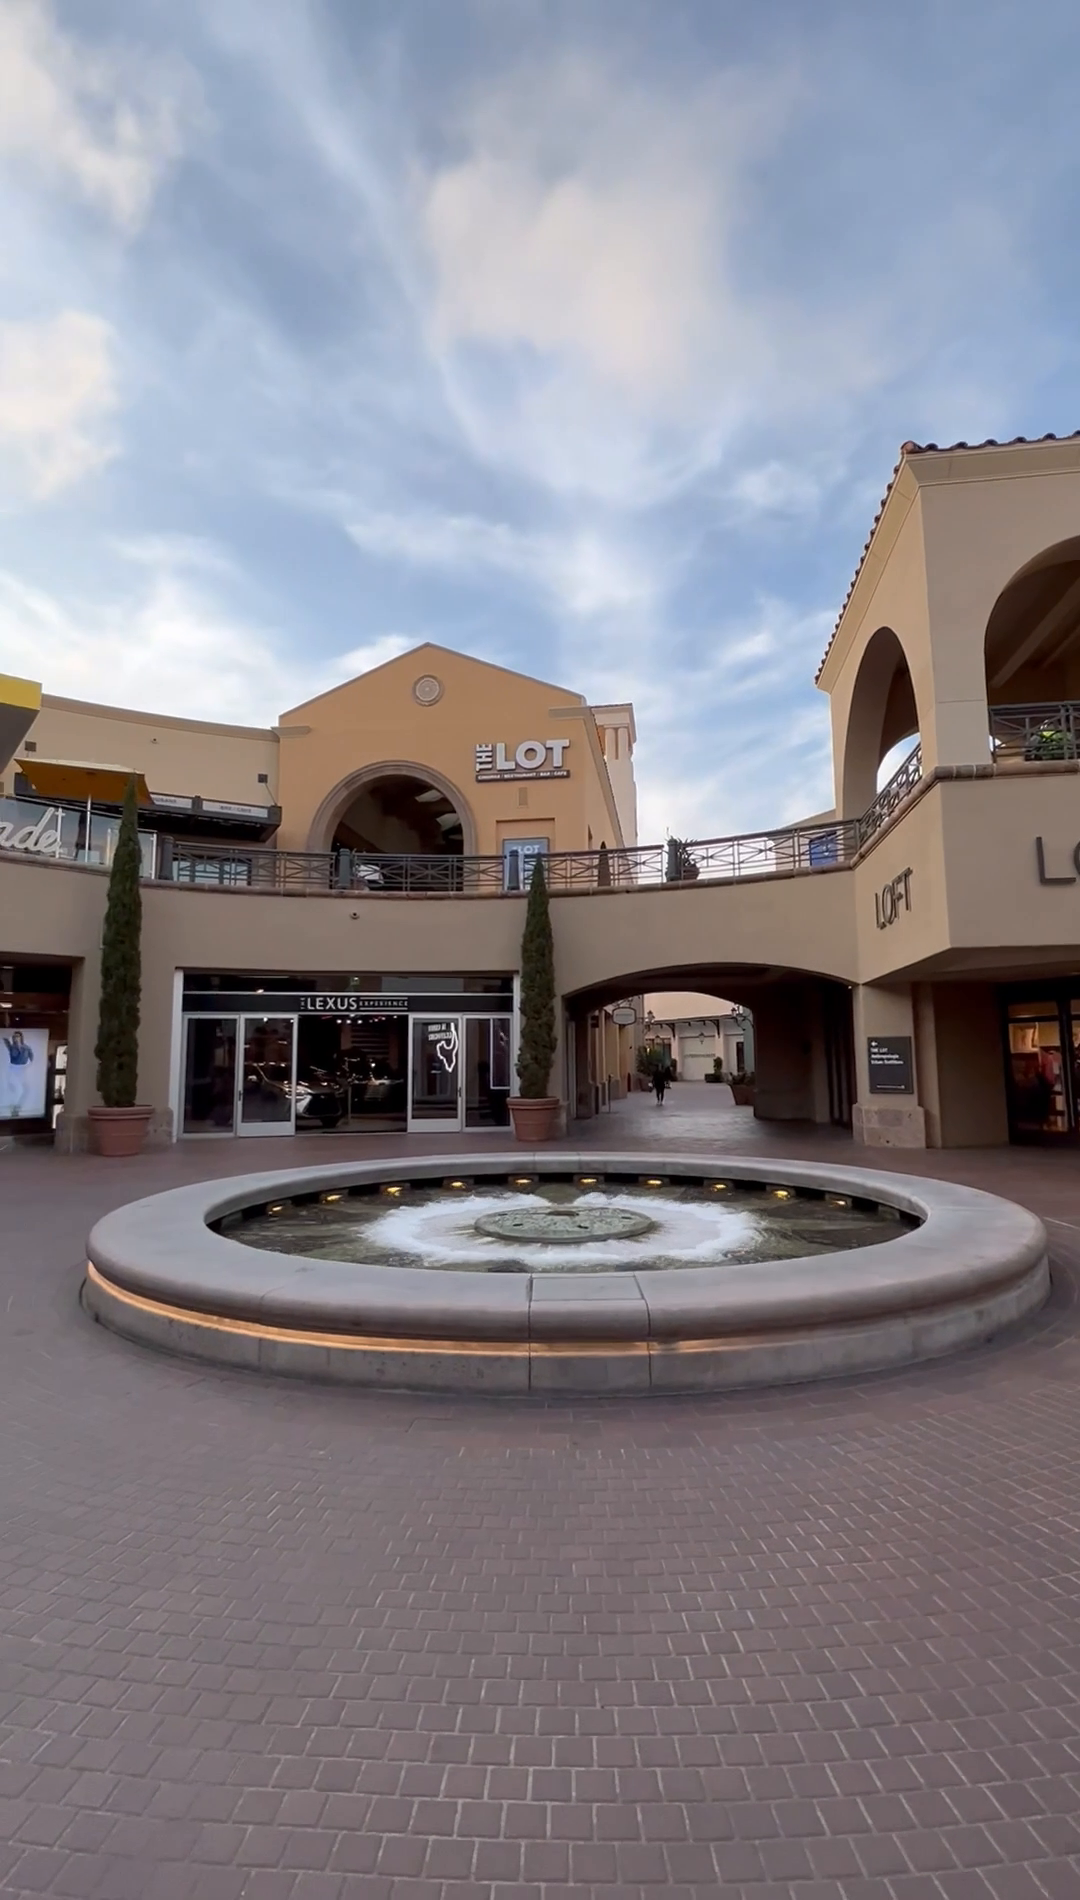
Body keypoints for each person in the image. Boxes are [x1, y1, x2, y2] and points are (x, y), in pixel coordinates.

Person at [2, 1030, 34, 1118]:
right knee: (15, 1089)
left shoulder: (27, 1047)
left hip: (22, 1070)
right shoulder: (11, 1047)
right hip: (13, 1069)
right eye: (14, 1036)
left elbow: (32, 1057)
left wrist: (29, 1065)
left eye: (17, 1036)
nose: (16, 1038)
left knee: (26, 1090)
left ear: (21, 1037)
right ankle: (14, 1108)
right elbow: (5, 1038)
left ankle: (16, 1108)